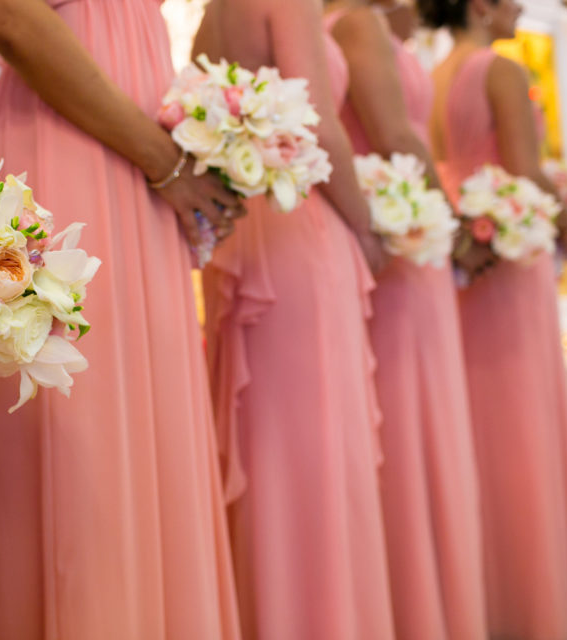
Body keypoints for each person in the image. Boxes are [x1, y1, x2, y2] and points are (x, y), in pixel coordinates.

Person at [0, 0, 244, 637]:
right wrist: (163, 160)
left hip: (137, 161)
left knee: (144, 431)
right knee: (82, 442)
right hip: (80, 144)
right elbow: (10, 16)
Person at [194, 0, 396, 637]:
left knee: (268, 443)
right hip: (301, 226)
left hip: (241, 232)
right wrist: (369, 228)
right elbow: (320, 126)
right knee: (317, 446)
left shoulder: (213, 12)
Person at [423, 0, 567, 637]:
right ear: (481, 7)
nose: (522, 6)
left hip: (466, 259)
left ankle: (485, 598)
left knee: (480, 424)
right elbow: (525, 172)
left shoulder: (439, 71)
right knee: (522, 424)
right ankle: (533, 606)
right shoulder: (498, 70)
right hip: (514, 256)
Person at [325, 1, 487, 637]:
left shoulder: (363, 23)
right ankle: (417, 607)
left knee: (416, 417)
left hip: (409, 232)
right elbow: (395, 135)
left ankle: (426, 602)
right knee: (407, 420)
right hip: (402, 240)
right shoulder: (355, 21)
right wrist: (454, 222)